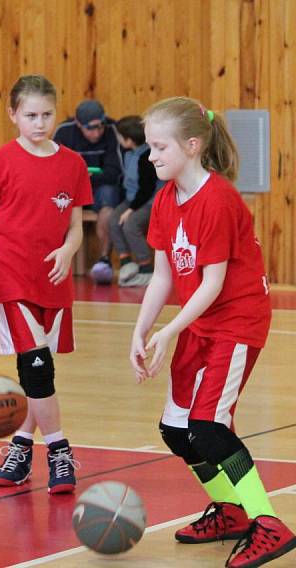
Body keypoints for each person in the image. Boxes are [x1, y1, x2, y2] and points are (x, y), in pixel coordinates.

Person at [130, 97, 295, 568]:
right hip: (199, 322)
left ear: (193, 145)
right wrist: (141, 331)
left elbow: (214, 282)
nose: (151, 156)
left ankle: (269, 523)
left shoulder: (218, 199)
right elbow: (163, 276)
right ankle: (231, 511)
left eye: (160, 147)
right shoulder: (166, 198)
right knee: (177, 430)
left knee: (208, 426)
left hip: (236, 322)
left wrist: (168, 331)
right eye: (149, 147)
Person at [0, 74, 90, 494]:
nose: (39, 122)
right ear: (13, 115)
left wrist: (68, 251)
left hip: (54, 279)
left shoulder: (74, 164)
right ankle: (60, 451)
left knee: (38, 371)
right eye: (30, 115)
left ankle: (22, 446)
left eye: (47, 115)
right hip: (12, 276)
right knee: (36, 366)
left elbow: (77, 227)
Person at [53, 99, 123, 283]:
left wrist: (84, 177)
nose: (97, 133)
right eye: (91, 129)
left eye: (100, 127)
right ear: (78, 124)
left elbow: (114, 171)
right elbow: (54, 169)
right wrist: (79, 179)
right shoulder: (64, 132)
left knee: (109, 196)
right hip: (71, 188)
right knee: (55, 199)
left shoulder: (111, 130)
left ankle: (104, 259)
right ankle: (55, 257)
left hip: (100, 188)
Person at [109, 115, 160, 287]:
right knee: (114, 220)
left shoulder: (146, 157)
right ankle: (126, 262)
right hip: (133, 200)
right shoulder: (128, 153)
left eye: (119, 136)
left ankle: (146, 268)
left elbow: (146, 190)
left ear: (129, 140)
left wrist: (130, 210)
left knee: (131, 225)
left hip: (149, 202)